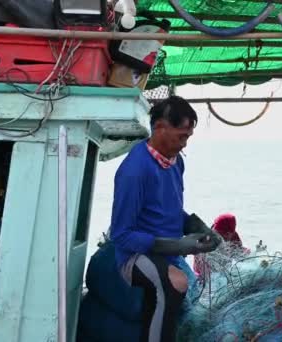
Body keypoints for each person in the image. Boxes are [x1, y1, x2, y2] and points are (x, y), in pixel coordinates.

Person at [109, 95, 222, 342]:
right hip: (133, 257)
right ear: (159, 127)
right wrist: (179, 245)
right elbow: (121, 235)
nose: (184, 144)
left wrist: (199, 227)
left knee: (162, 302)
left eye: (188, 137)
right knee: (175, 283)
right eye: (181, 136)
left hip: (164, 255)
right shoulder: (135, 170)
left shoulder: (175, 163)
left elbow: (171, 211)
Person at [193, 213, 249, 279]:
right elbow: (199, 267)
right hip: (204, 274)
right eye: (217, 232)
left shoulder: (232, 235)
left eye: (225, 234)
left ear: (230, 233)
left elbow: (240, 251)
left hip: (225, 269)